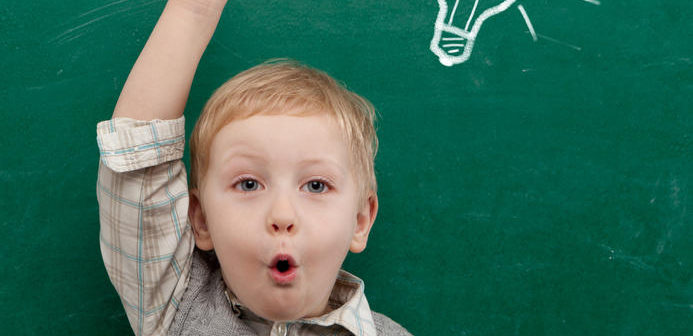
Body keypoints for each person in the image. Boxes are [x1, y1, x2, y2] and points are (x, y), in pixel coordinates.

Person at [95, 1, 411, 335]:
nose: (283, 215)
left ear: (360, 221)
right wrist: (192, 10)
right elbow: (138, 163)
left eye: (316, 186)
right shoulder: (178, 305)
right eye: (248, 184)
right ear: (200, 218)